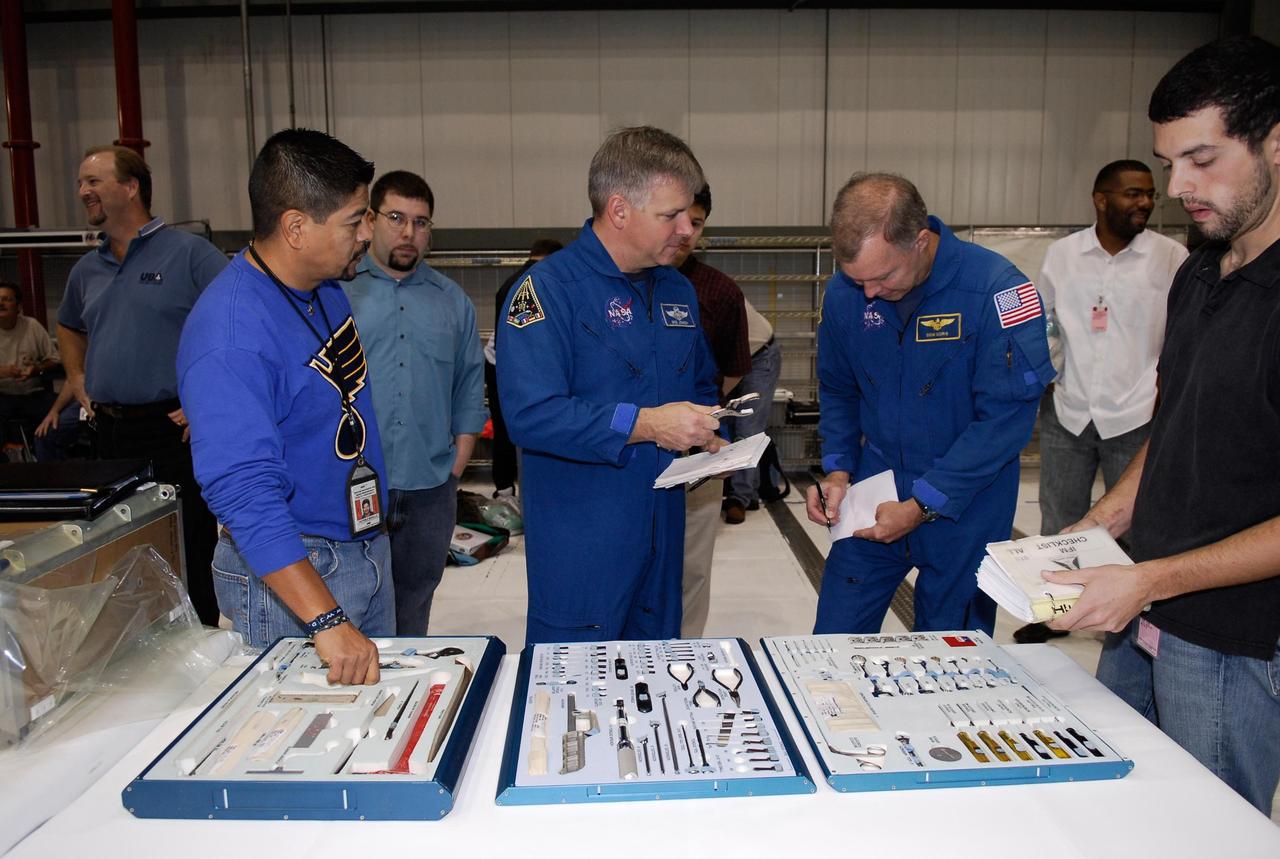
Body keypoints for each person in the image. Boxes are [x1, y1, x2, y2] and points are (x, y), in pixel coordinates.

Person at [1044, 35, 1280, 816]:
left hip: (1233, 640)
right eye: (1167, 161)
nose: (1176, 187)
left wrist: (1147, 579)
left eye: (1202, 160)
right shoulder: (1202, 271)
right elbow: (1174, 427)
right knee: (1127, 806)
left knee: (1210, 821)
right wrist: (1100, 521)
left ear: (1277, 142)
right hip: (1148, 614)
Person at [178, 128, 390, 686]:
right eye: (355, 220)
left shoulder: (323, 288)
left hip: (361, 544)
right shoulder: (230, 334)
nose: (369, 233)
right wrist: (324, 617)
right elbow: (242, 491)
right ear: (296, 227)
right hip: (296, 578)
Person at [497, 126, 721, 645]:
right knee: (577, 696)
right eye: (672, 216)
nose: (689, 229)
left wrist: (708, 433)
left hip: (664, 538)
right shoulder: (548, 291)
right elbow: (531, 415)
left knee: (657, 686)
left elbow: (701, 381)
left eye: (690, 214)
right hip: (583, 544)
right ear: (619, 210)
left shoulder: (678, 291)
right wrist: (646, 424)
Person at [806, 172, 1053, 635]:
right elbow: (838, 388)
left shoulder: (998, 291)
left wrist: (923, 504)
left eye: (882, 277)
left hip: (966, 506)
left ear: (920, 241)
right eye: (858, 280)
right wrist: (838, 470)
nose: (870, 294)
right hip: (874, 493)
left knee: (953, 656)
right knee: (833, 644)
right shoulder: (847, 293)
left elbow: (1003, 422)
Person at [1015, 160, 1188, 645]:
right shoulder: (1063, 255)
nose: (1146, 203)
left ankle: (1124, 619)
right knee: (1058, 517)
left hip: (1137, 412)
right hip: (1069, 409)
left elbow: (1183, 331)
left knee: (1133, 525)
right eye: (1133, 193)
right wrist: (1044, 375)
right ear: (1101, 199)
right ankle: (1054, 611)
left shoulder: (1171, 256)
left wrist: (1165, 393)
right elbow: (1044, 322)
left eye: (1150, 194)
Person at [54, 145, 227, 625]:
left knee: (188, 544)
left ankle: (200, 639)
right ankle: (138, 643)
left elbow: (238, 317)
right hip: (110, 432)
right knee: (123, 545)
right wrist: (76, 375)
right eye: (81, 182)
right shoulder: (87, 269)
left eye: (94, 181)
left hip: (172, 428)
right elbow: (68, 326)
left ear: (131, 187)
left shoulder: (189, 253)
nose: (82, 190)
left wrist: (205, 398)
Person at [344, 170, 487, 635]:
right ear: (370, 219)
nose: (409, 233)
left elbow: (469, 379)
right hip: (355, 480)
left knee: (415, 603)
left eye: (421, 222)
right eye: (397, 218)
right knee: (351, 603)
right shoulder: (338, 292)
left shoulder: (451, 301)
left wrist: (461, 455)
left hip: (431, 485)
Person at [673, 183, 751, 637]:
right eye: (673, 218)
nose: (685, 232)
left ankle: (685, 651)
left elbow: (732, 372)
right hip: (629, 449)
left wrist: (699, 416)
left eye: (697, 223)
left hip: (698, 454)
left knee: (692, 568)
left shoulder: (718, 291)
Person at [484, 238, 563, 496]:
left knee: (506, 430)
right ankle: (507, 491)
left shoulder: (516, 281)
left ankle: (506, 489)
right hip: (508, 368)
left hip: (499, 365)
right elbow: (520, 343)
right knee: (513, 432)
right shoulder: (530, 285)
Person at [722, 296, 782, 523]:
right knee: (723, 423)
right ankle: (744, 491)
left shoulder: (715, 291)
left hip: (758, 355)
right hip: (729, 359)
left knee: (747, 429)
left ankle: (740, 498)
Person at [0, 281, 60, 459]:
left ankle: (49, 466)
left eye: (6, 299)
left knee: (62, 413)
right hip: (2, 394)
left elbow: (54, 359)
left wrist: (37, 368)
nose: (1, 303)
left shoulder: (32, 326)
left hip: (33, 393)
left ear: (18, 306)